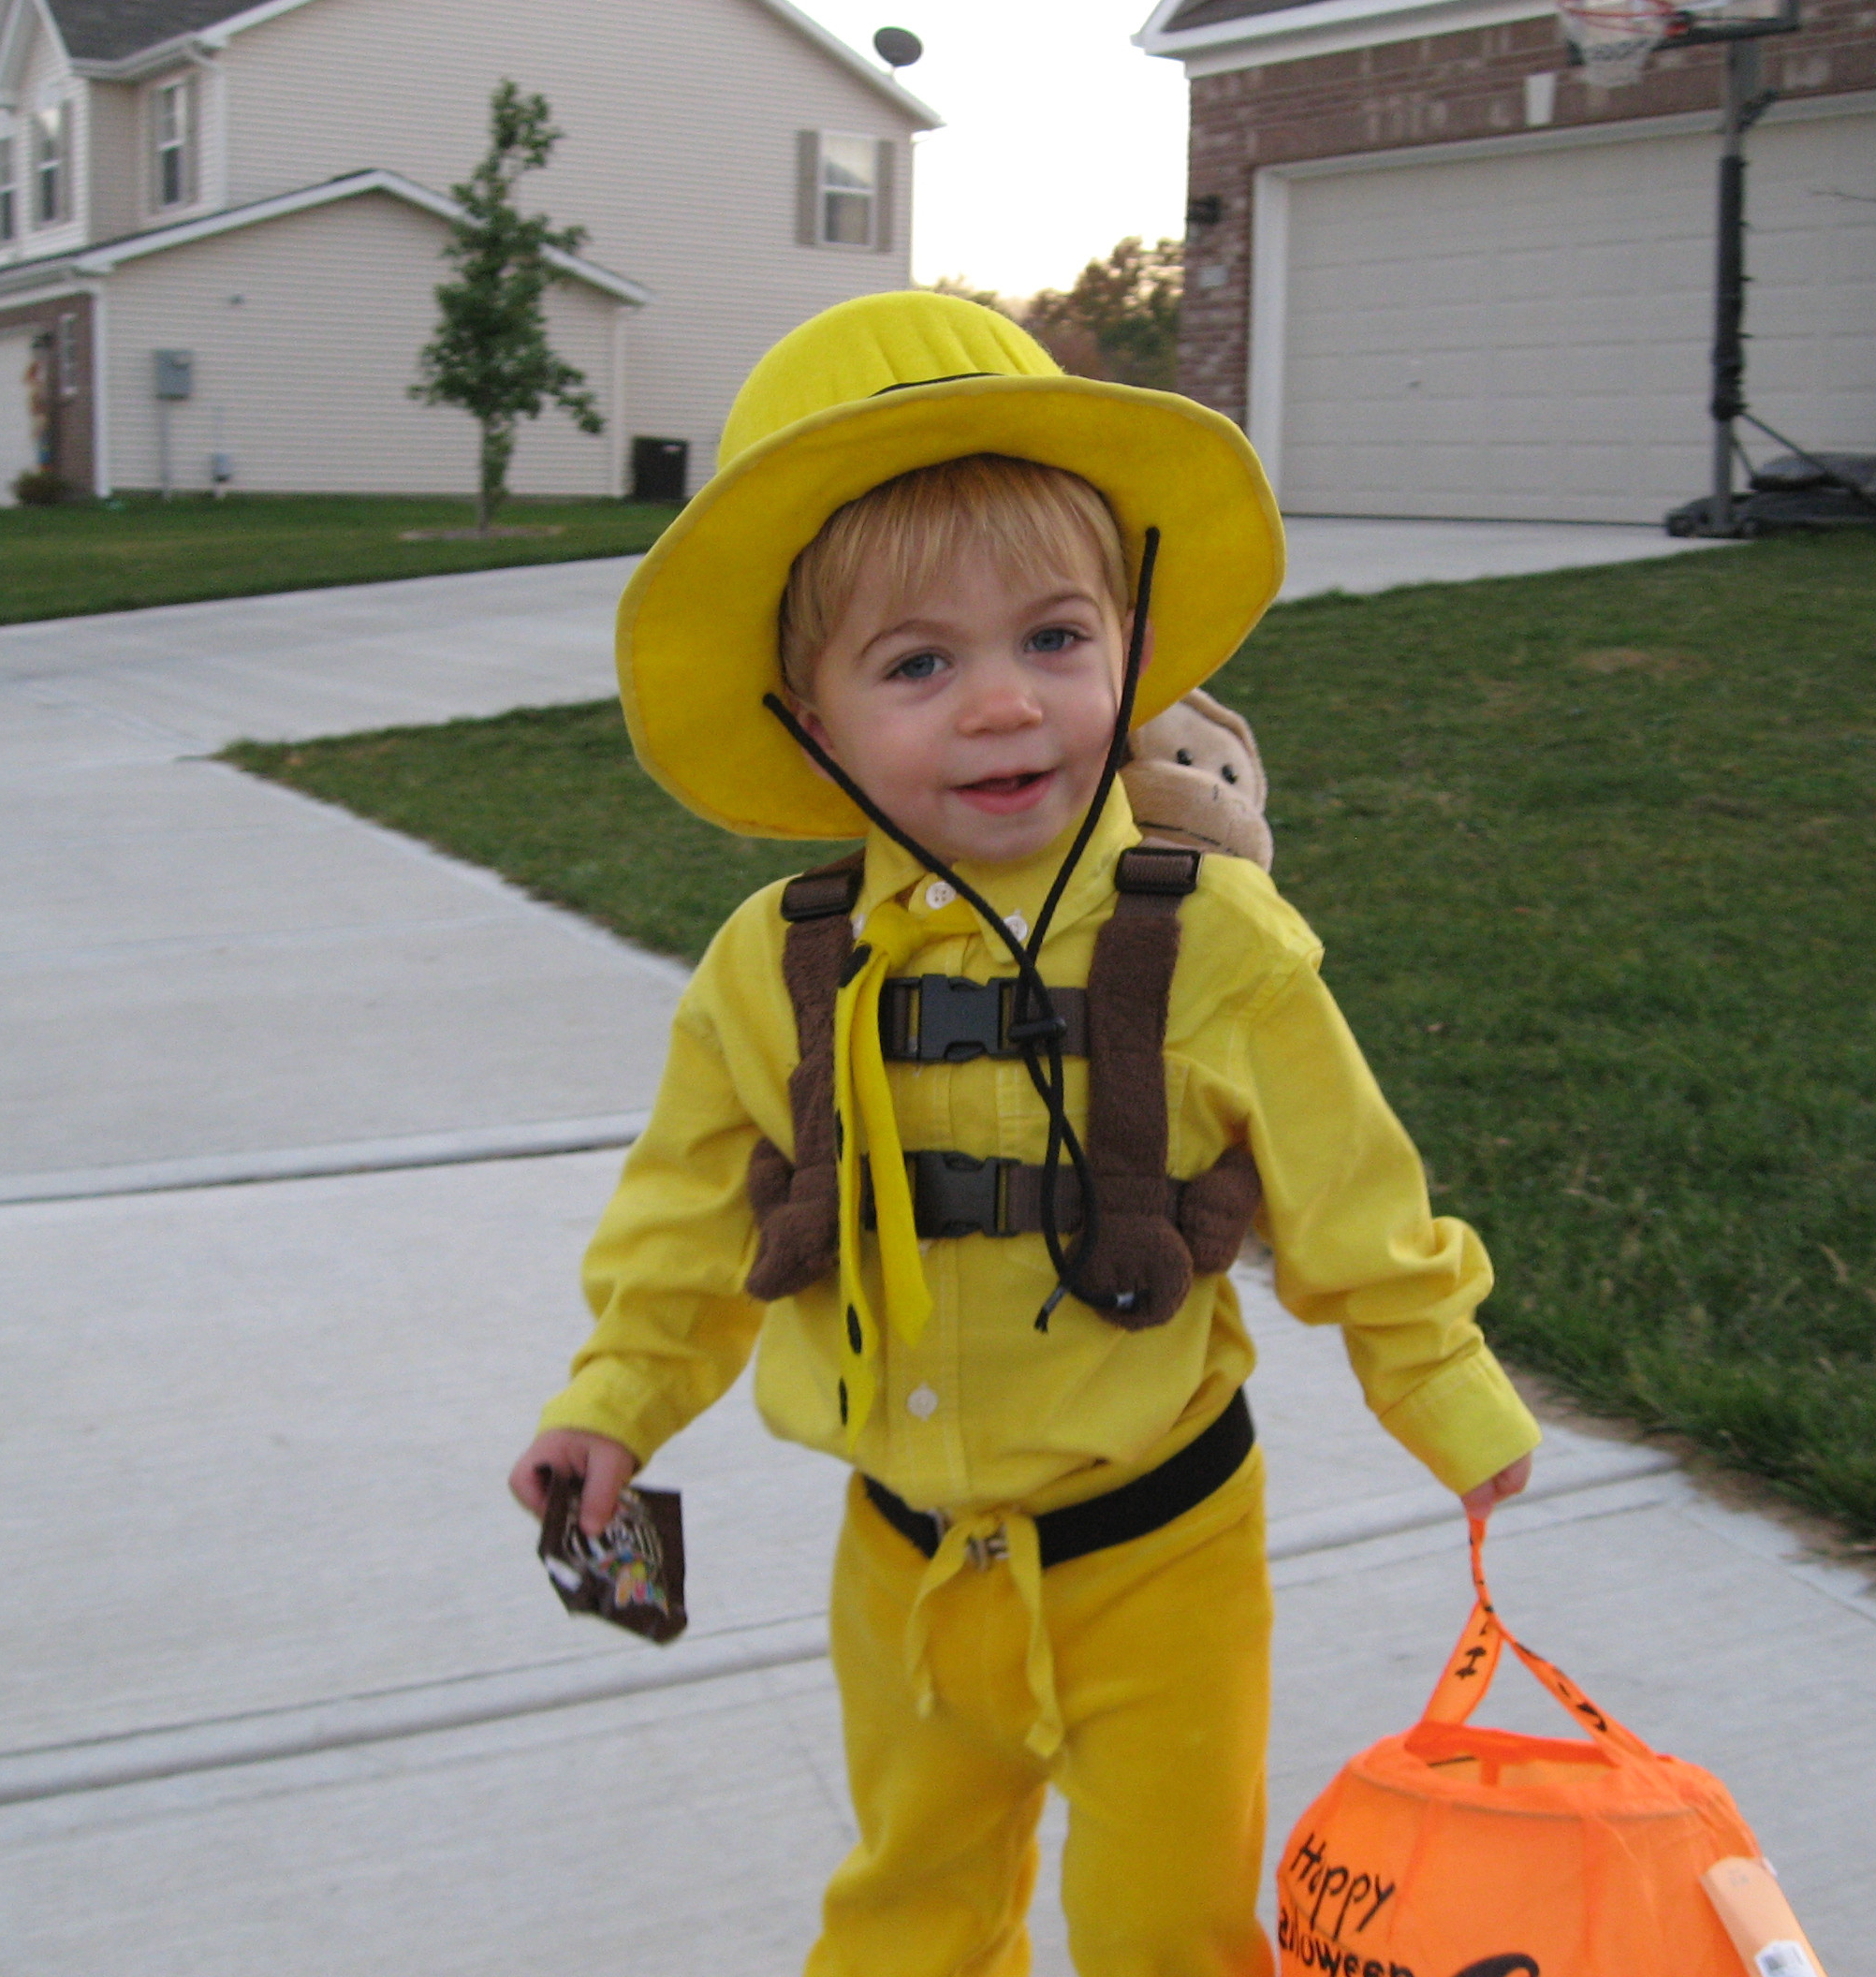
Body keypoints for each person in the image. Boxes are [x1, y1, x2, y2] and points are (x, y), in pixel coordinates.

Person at [508, 290, 1538, 1977]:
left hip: (1164, 1554)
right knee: (909, 1905)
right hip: (904, 1563)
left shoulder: (1210, 936)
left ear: (1130, 648)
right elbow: (688, 1222)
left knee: (1166, 1930)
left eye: (1055, 641)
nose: (1003, 707)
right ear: (810, 715)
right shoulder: (774, 968)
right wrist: (612, 1409)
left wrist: (1443, 1387)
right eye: (919, 664)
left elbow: (1356, 1192)